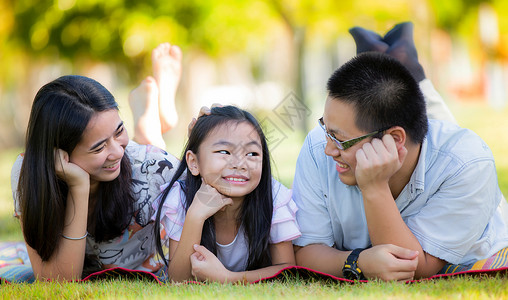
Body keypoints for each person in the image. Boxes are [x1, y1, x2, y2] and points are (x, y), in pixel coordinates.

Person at [292, 24, 508, 281]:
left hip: (473, 232)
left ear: (393, 140)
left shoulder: (468, 164)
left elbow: (414, 268)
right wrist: (358, 262)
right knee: (403, 110)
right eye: (325, 130)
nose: (328, 149)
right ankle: (395, 58)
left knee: (438, 134)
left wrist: (374, 187)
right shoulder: (319, 145)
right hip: (403, 133)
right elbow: (305, 252)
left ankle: (405, 61)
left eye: (339, 140)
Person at [9, 42, 183, 281]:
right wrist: (78, 187)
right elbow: (55, 281)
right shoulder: (29, 172)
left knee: (147, 159)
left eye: (119, 130)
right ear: (59, 152)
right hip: (136, 163)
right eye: (98, 147)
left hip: (147, 167)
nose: (116, 151)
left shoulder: (150, 167)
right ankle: (147, 120)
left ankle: (149, 121)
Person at [153, 105, 300, 283]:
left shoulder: (273, 196)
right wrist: (195, 216)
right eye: (224, 152)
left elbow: (288, 271)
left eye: (252, 153)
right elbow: (178, 280)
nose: (239, 164)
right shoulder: (181, 197)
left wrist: (227, 278)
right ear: (193, 162)